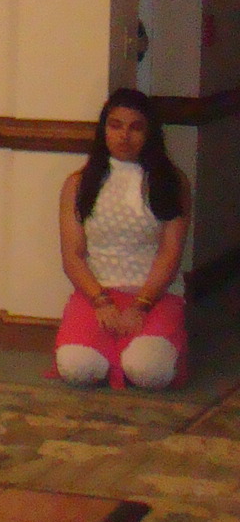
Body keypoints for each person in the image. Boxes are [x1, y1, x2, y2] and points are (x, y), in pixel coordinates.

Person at [55, 88, 191, 391]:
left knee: (149, 372)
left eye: (135, 127)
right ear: (103, 130)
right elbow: (72, 256)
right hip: (96, 294)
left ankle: (139, 351)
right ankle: (109, 351)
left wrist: (141, 306)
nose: (124, 135)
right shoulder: (78, 184)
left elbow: (170, 253)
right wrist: (101, 302)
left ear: (150, 133)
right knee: (77, 368)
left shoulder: (172, 182)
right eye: (115, 125)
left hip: (154, 295)